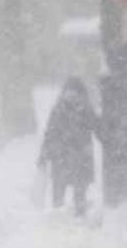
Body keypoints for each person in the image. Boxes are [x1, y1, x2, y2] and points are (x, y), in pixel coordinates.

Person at [37, 77, 101, 217]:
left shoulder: (86, 110)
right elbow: (50, 134)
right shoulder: (58, 110)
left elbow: (99, 130)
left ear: (81, 94)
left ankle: (79, 215)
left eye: (74, 92)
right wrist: (43, 155)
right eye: (69, 92)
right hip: (63, 157)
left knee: (79, 192)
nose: (71, 96)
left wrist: (108, 131)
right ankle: (59, 218)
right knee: (59, 194)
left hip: (79, 158)